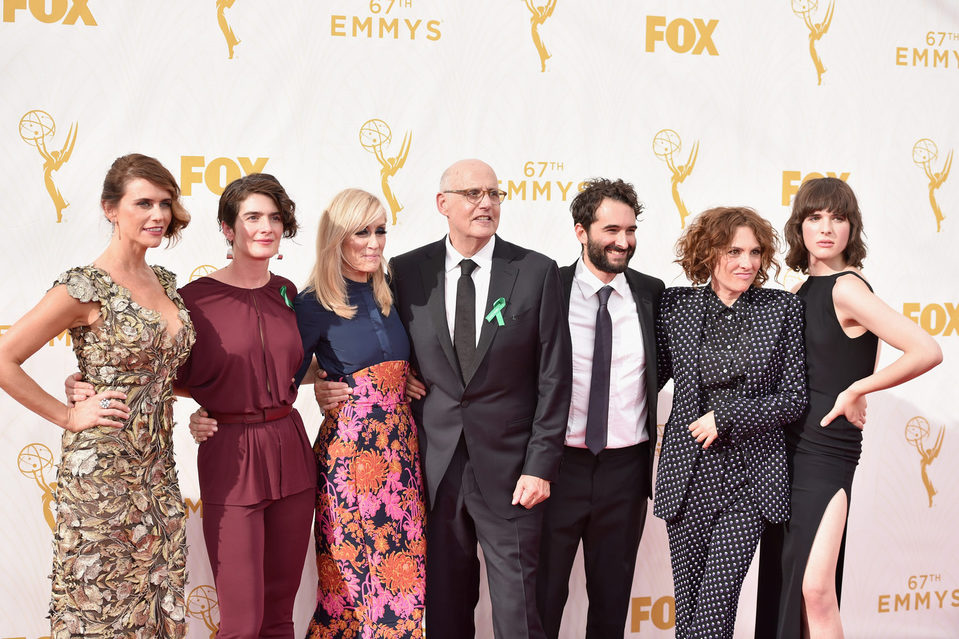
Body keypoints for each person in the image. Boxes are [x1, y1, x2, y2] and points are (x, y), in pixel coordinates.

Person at [69, 173, 316, 639]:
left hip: (291, 447)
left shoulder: (287, 292)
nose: (265, 227)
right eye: (252, 217)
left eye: (275, 218)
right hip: (231, 451)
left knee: (281, 616)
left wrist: (342, 382)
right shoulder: (192, 301)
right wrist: (84, 382)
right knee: (242, 623)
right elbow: (153, 368)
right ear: (227, 228)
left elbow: (300, 362)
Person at [0, 153, 194, 637]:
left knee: (155, 601)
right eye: (143, 202)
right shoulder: (84, 287)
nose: (158, 215)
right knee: (102, 609)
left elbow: (162, 373)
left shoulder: (166, 284)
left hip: (157, 472)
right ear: (111, 208)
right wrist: (68, 416)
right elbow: (4, 359)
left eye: (165, 203)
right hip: (103, 476)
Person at [390, 158, 572, 638]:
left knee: (519, 611)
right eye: (473, 193)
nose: (486, 203)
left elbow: (555, 376)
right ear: (442, 204)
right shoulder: (407, 270)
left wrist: (540, 464)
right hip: (434, 465)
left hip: (514, 471)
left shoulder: (535, 271)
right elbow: (385, 344)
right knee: (446, 607)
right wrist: (385, 378)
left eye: (494, 194)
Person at [755, 178, 942, 639]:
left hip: (824, 450)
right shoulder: (800, 291)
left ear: (851, 228)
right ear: (798, 227)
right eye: (815, 217)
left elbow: (926, 349)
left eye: (838, 218)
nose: (825, 228)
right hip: (785, 449)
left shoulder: (847, 288)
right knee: (791, 584)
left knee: (815, 589)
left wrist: (857, 389)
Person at [654, 206, 807, 639]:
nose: (747, 263)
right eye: (733, 250)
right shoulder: (675, 306)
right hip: (688, 476)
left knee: (714, 608)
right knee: (688, 613)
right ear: (707, 252)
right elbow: (646, 374)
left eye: (755, 252)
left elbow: (794, 398)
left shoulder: (781, 309)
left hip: (751, 481)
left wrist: (729, 416)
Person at [293, 188, 426, 638]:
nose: (373, 243)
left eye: (380, 230)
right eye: (360, 233)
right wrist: (323, 382)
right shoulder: (312, 302)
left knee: (404, 585)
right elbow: (281, 374)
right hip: (351, 461)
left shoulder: (393, 288)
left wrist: (400, 378)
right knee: (349, 589)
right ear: (336, 239)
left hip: (402, 456)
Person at [537, 178, 663, 639]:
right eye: (611, 230)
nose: (623, 242)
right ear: (580, 231)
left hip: (625, 472)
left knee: (612, 605)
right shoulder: (547, 286)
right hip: (557, 466)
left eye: (630, 230)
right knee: (543, 600)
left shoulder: (652, 294)